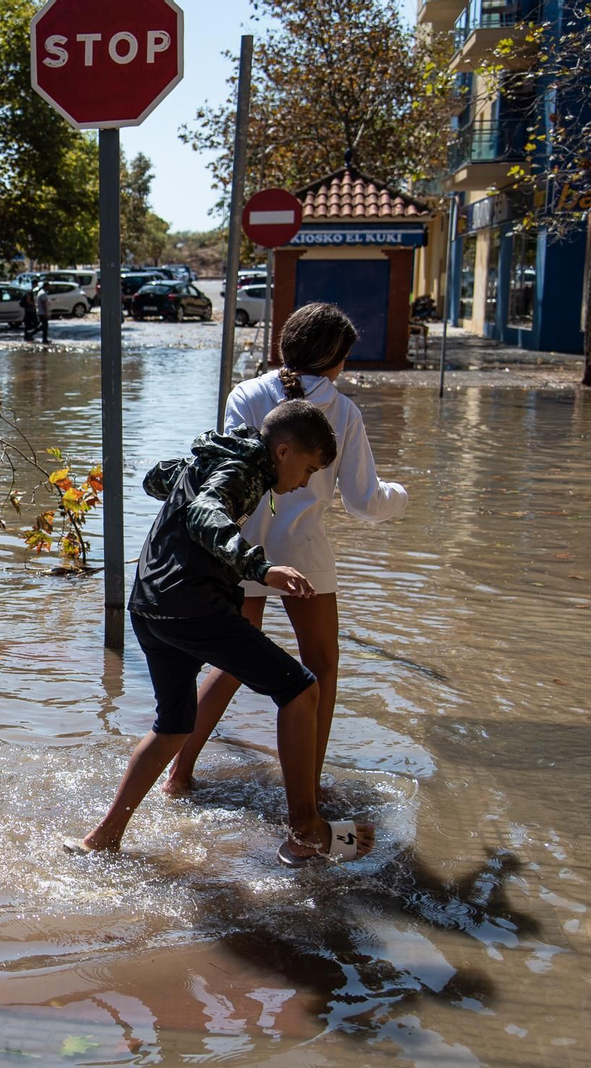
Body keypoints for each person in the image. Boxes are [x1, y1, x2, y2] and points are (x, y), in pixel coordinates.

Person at [67, 399, 377, 868]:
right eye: (309, 469)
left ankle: (103, 836)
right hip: (193, 606)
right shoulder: (242, 471)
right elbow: (204, 513)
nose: (307, 482)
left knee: (173, 726)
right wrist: (262, 568)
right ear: (283, 451)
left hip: (150, 606)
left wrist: (190, 469)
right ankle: (306, 830)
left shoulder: (215, 457)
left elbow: (155, 478)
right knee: (300, 690)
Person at [165, 303, 408, 802]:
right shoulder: (343, 410)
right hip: (304, 551)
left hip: (239, 551)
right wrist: (402, 495)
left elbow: (224, 474)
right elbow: (365, 503)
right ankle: (309, 789)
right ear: (336, 359)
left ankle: (178, 774)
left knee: (229, 665)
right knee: (322, 664)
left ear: (285, 346)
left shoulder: (246, 393)